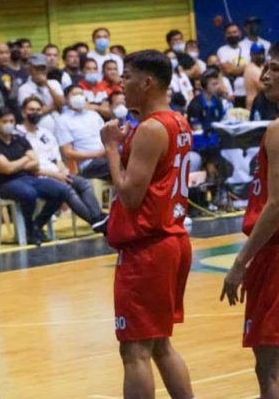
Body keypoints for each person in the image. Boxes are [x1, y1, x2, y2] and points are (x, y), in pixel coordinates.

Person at [100, 50, 194, 399]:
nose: (121, 84)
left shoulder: (151, 129)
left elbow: (129, 196)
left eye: (127, 77)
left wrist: (111, 148)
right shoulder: (178, 121)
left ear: (147, 82)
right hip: (171, 240)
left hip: (148, 248)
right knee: (160, 346)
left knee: (134, 351)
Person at [221, 44, 279, 398]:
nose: (265, 76)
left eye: (274, 69)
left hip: (273, 257)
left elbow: (275, 206)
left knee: (269, 366)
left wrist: (240, 262)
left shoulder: (276, 130)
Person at [16, 97, 107, 233]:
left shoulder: (45, 133)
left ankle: (97, 217)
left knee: (83, 184)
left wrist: (63, 170)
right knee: (66, 189)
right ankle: (96, 222)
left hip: (57, 172)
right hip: (36, 176)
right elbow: (27, 166)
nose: (35, 112)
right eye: (31, 109)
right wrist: (56, 175)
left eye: (38, 110)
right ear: (23, 112)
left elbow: (57, 159)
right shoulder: (17, 135)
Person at [0, 106, 70, 244]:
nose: (9, 124)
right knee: (28, 193)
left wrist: (15, 164)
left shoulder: (20, 139)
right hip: (6, 184)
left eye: (11, 121)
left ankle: (37, 225)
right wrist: (24, 159)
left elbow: (35, 162)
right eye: (5, 121)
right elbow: (6, 169)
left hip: (28, 178)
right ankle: (29, 231)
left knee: (61, 190)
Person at [57, 85, 110, 180]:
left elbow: (106, 136)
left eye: (81, 94)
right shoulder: (63, 121)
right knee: (118, 165)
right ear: (66, 99)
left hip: (107, 155)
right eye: (74, 94)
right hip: (89, 164)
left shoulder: (94, 115)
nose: (78, 96)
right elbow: (68, 153)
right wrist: (97, 154)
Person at [187, 68, 225, 179]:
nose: (217, 86)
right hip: (200, 144)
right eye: (214, 84)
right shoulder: (195, 105)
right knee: (211, 161)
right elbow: (197, 131)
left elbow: (222, 122)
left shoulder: (217, 101)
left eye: (217, 83)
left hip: (216, 141)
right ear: (204, 85)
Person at [16, 53, 65, 131]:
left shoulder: (54, 83)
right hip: (38, 128)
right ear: (30, 69)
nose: (40, 71)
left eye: (43, 68)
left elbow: (62, 104)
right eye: (37, 68)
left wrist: (46, 84)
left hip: (59, 127)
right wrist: (54, 106)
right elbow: (32, 113)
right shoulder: (24, 89)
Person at [217, 23, 250, 108]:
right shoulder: (222, 50)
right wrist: (245, 67)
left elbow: (252, 68)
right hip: (233, 94)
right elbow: (228, 70)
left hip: (248, 92)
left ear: (240, 33)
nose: (232, 35)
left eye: (235, 32)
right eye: (229, 33)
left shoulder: (247, 49)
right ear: (225, 35)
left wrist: (235, 68)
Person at [244, 42, 266, 110]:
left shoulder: (261, 67)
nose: (261, 56)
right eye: (258, 54)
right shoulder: (251, 69)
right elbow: (263, 87)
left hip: (262, 105)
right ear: (251, 54)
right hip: (254, 106)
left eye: (262, 53)